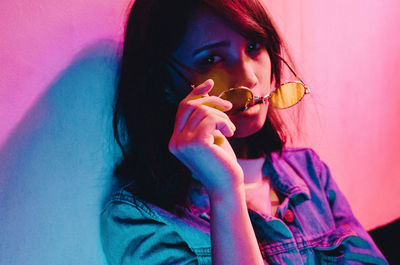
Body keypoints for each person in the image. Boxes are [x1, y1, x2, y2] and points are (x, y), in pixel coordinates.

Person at [100, 0, 388, 264]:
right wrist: (225, 192)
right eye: (212, 59)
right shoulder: (138, 217)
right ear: (164, 84)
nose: (250, 77)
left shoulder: (309, 170)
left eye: (253, 47)